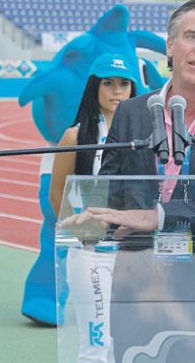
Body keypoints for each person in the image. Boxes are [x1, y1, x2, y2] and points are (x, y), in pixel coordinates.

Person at [68, 0, 195, 362]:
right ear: (169, 45)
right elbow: (110, 188)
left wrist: (160, 216)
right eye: (191, 36)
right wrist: (96, 219)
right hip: (139, 288)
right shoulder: (132, 112)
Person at [50, 53, 137, 363]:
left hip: (131, 255)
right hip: (91, 254)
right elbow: (58, 193)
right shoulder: (75, 136)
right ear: (94, 88)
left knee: (124, 346)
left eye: (124, 84)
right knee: (95, 348)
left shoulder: (142, 137)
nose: (116, 91)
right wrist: (85, 228)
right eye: (108, 84)